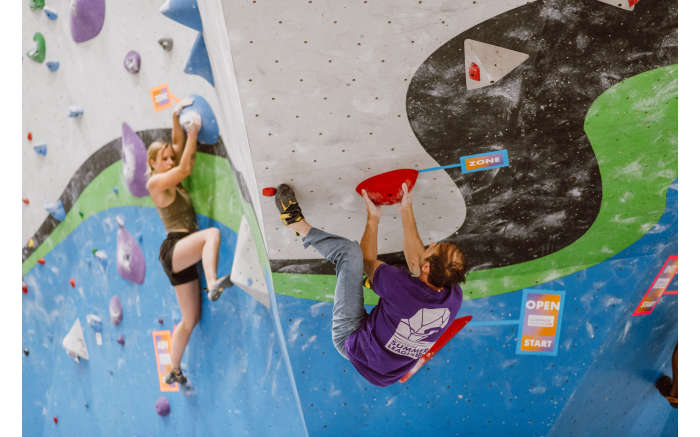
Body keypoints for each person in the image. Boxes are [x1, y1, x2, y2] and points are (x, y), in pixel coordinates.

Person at [275, 182, 467, 386]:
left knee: (349, 253)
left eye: (434, 248)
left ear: (427, 267)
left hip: (353, 340)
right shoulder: (452, 295)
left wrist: (373, 218)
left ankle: (295, 222)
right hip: (389, 369)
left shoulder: (400, 286)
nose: (434, 244)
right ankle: (373, 283)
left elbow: (366, 261)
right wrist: (405, 208)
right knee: (396, 278)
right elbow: (417, 262)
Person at [146, 99, 233, 385]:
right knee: (212, 236)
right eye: (165, 159)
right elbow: (184, 168)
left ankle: (174, 367)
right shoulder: (156, 183)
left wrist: (176, 118)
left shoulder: (170, 178)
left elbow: (177, 147)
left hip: (182, 252)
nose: (171, 161)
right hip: (175, 248)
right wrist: (194, 133)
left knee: (190, 319)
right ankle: (213, 282)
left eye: (172, 157)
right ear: (153, 164)